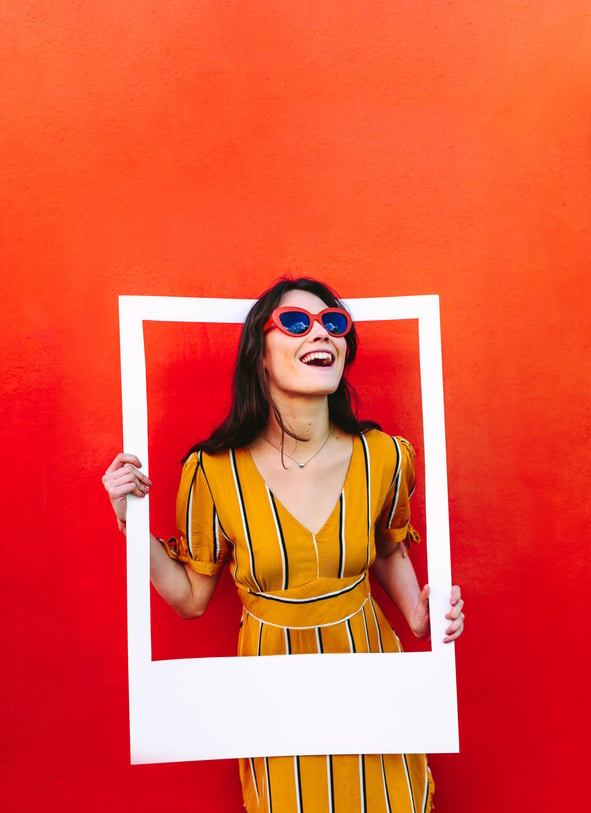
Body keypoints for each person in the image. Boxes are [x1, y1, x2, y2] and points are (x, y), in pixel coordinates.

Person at [102, 277, 464, 812]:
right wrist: (128, 517)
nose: (321, 332)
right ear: (261, 357)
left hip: (372, 682)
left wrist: (420, 615)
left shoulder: (384, 455)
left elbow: (388, 549)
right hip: (272, 693)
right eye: (296, 322)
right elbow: (190, 599)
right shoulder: (211, 471)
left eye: (333, 323)